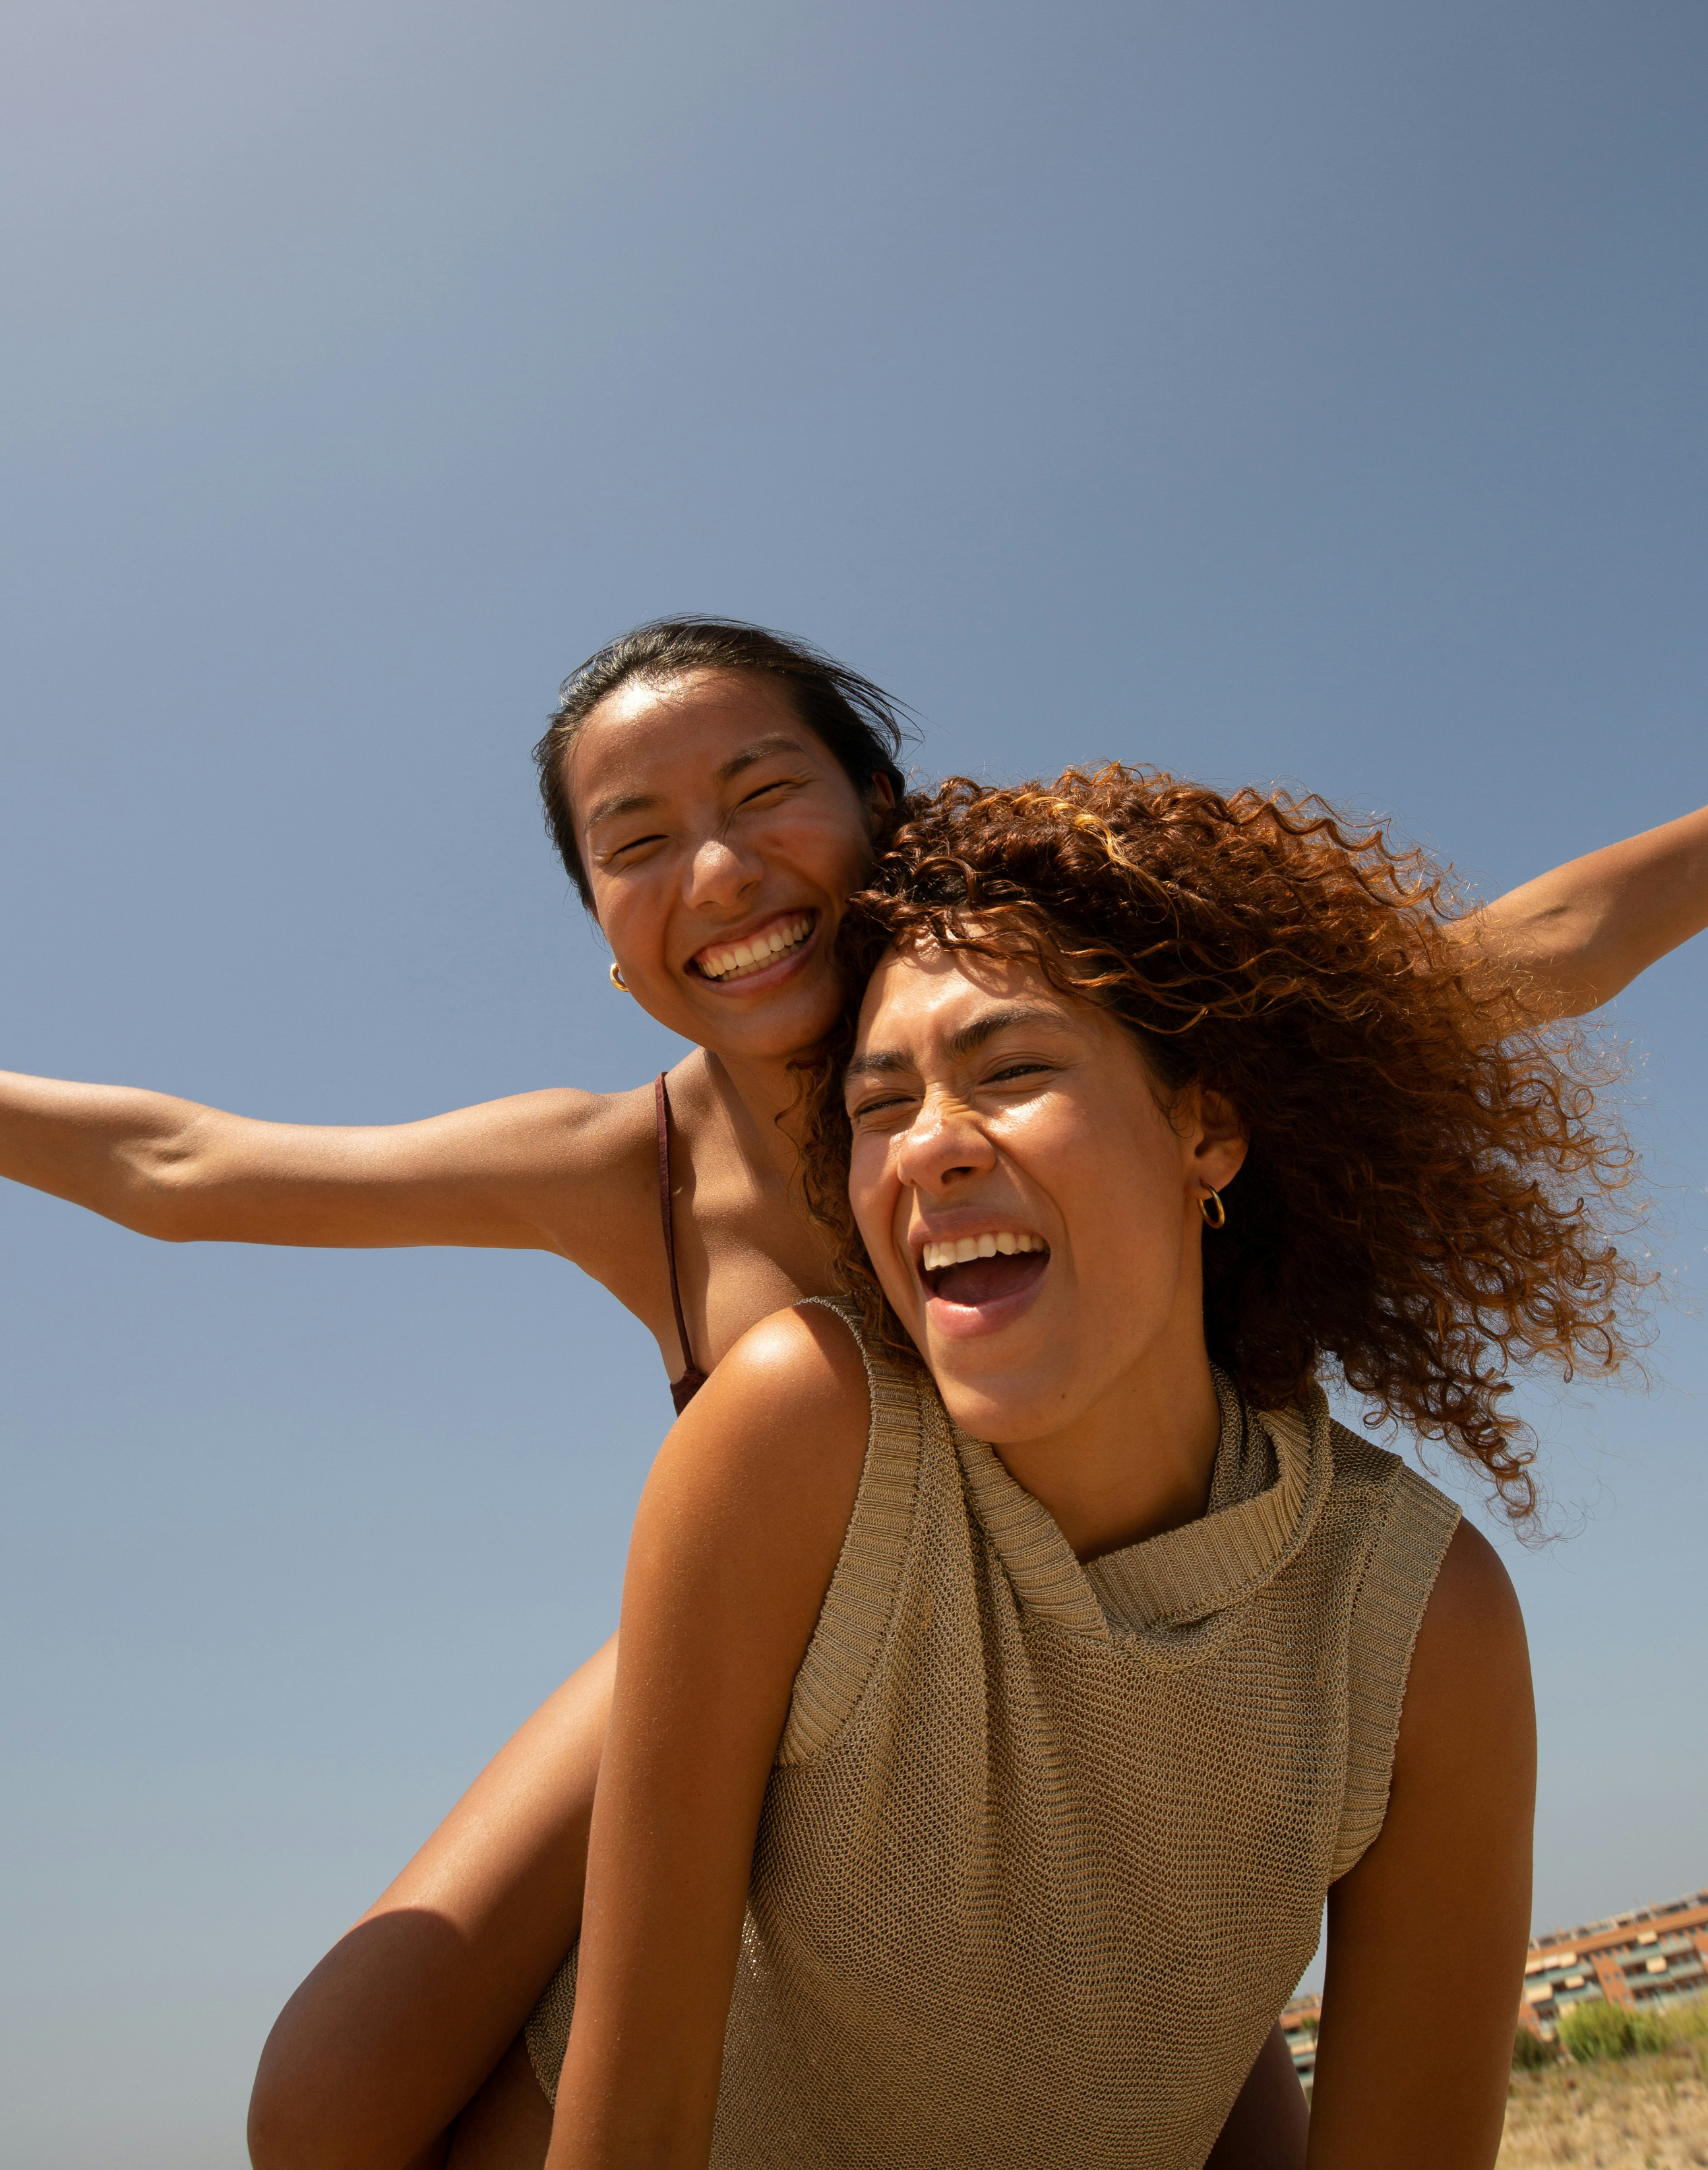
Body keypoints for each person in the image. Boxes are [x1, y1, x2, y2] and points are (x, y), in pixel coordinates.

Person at [0, 620, 1708, 2167]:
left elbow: (1548, 941)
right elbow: (177, 1163)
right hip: (795, 1611)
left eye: (760, 794)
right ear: (602, 937)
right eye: (635, 841)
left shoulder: (1121, 1022)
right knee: (332, 2090)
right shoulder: (626, 1169)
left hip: (1145, 1673)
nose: (717, 873)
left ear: (883, 822)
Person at [443, 762, 1647, 2168]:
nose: (932, 1147)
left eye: (1012, 1070)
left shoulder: (1417, 1619)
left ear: (1205, 1127)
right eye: (880, 1106)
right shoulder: (801, 1441)